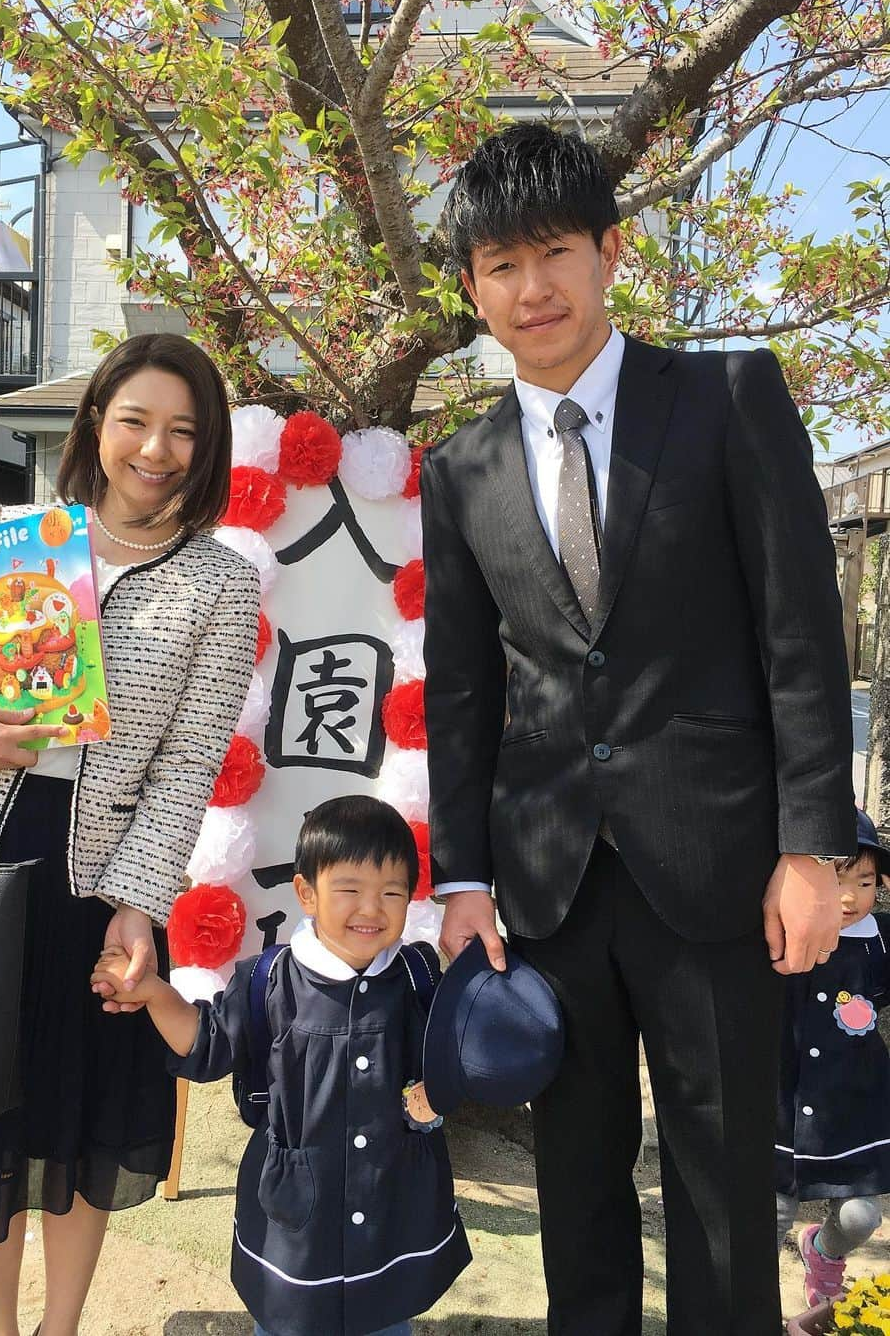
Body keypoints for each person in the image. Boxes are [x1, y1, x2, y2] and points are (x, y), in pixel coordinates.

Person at [420, 121, 855, 1335]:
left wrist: (812, 842)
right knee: (576, 1181)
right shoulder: (459, 468)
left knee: (721, 1185)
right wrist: (460, 875)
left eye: (554, 251)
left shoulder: (725, 397)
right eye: (500, 265)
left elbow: (800, 631)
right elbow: (460, 688)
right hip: (549, 881)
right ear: (473, 289)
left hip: (720, 866)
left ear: (612, 251)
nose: (531, 287)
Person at [0, 333, 260, 1336]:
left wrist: (138, 907)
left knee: (83, 1116)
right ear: (96, 422)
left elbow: (185, 767)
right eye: (135, 420)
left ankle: (62, 1327)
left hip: (99, 887)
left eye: (183, 430)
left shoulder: (219, 583)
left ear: (207, 448)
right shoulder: (13, 533)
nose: (156, 448)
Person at [90, 794, 471, 1336]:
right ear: (305, 893)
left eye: (392, 892)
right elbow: (204, 1043)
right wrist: (153, 993)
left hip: (394, 1202)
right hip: (296, 1215)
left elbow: (456, 1057)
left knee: (386, 1317)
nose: (371, 909)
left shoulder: (416, 976)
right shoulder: (269, 980)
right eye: (350, 890)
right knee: (288, 1322)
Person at [777, 808, 890, 1308]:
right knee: (769, 1216)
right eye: (838, 878)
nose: (850, 897)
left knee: (861, 1217)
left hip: (854, 1109)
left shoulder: (881, 941)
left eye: (865, 881)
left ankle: (823, 1254)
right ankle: (747, 1307)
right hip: (779, 1105)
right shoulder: (778, 927)